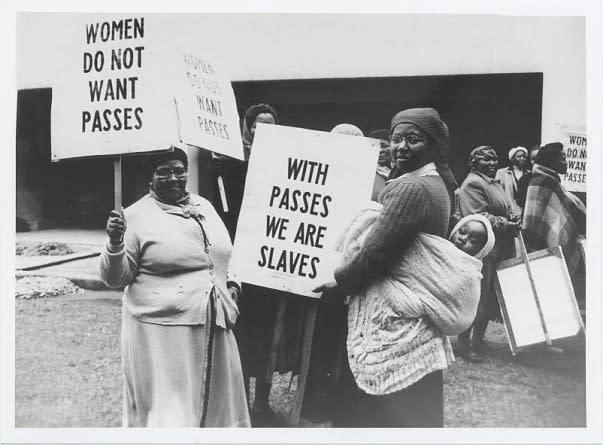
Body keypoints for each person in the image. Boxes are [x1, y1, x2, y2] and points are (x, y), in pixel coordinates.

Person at [314, 107, 458, 427]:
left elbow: (376, 254)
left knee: (378, 405)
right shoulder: (436, 182)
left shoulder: (410, 188)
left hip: (393, 312)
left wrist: (340, 281)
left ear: (434, 145)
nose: (401, 147)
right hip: (415, 307)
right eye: (396, 139)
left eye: (413, 139)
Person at [98, 147, 250, 427]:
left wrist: (233, 284)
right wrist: (115, 242)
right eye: (164, 172)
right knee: (174, 410)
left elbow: (227, 254)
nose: (173, 177)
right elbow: (115, 278)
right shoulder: (134, 216)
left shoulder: (204, 206)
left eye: (179, 170)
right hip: (163, 331)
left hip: (213, 322)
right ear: (150, 179)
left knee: (216, 407)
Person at [456, 146, 520, 363]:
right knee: (477, 296)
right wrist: (505, 223)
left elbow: (504, 206)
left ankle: (479, 339)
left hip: (498, 246)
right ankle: (463, 343)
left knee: (489, 296)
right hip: (482, 247)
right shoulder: (473, 183)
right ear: (474, 163)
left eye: (494, 159)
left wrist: (512, 215)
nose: (492, 163)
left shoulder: (493, 182)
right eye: (485, 160)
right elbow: (478, 216)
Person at [522, 142, 586, 278]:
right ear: (551, 161)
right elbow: (537, 221)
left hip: (550, 243)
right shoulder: (544, 182)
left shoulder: (551, 181)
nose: (566, 162)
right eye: (562, 159)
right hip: (542, 245)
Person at [495, 146, 529, 214]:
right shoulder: (502, 173)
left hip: (524, 212)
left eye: (524, 157)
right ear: (512, 158)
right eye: (519, 156)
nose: (522, 158)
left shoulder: (529, 174)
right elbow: (497, 193)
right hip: (508, 211)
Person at [368, 129, 392, 201]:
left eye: (383, 145)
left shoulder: (403, 171)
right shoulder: (367, 173)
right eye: (374, 147)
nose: (379, 150)